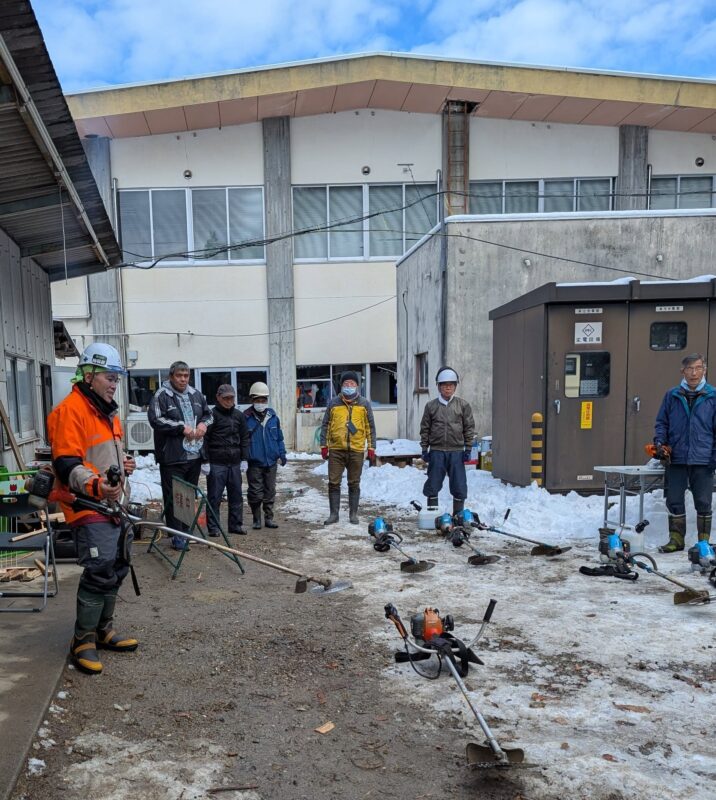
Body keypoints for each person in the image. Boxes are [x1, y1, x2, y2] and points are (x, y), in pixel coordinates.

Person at [47, 343, 138, 675]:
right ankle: (82, 639)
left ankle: (103, 629)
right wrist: (96, 485)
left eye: (116, 378)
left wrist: (123, 463)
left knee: (117, 564)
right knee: (99, 567)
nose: (114, 383)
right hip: (88, 503)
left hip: (113, 502)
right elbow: (68, 462)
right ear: (88, 375)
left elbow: (101, 454)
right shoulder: (71, 410)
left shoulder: (106, 411)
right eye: (108, 377)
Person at [654, 353, 716, 553]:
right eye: (689, 368)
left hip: (703, 458)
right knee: (674, 499)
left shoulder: (713, 396)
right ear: (682, 371)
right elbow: (662, 423)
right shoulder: (671, 395)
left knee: (704, 501)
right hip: (676, 457)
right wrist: (660, 443)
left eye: (698, 368)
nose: (694, 373)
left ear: (704, 370)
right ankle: (676, 540)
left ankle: (703, 543)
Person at [148, 361, 212, 550]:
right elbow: (156, 419)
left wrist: (203, 425)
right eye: (179, 376)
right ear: (171, 376)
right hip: (172, 456)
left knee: (188, 495)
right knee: (174, 496)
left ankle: (186, 531)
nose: (183, 379)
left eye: (186, 376)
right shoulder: (162, 395)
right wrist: (180, 427)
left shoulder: (196, 394)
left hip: (194, 455)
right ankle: (176, 535)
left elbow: (209, 415)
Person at [320, 371, 376, 525]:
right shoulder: (333, 403)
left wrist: (371, 447)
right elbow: (325, 425)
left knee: (354, 483)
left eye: (352, 384)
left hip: (356, 450)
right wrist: (324, 445)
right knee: (333, 482)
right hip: (336, 450)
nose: (349, 386)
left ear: (357, 386)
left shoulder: (364, 404)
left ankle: (353, 514)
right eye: (346, 384)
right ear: (341, 386)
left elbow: (370, 427)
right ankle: (334, 514)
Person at [420, 366, 475, 516]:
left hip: (456, 452)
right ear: (438, 386)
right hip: (437, 452)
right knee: (433, 484)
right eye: (444, 385)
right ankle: (432, 516)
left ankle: (458, 516)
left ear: (455, 386)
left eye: (451, 385)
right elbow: (425, 429)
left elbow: (469, 428)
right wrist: (425, 449)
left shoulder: (463, 406)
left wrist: (468, 448)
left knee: (459, 485)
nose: (448, 388)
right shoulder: (431, 406)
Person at [203, 384, 251, 536]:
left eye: (231, 397)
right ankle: (214, 528)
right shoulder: (211, 416)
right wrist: (205, 461)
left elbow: (244, 438)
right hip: (217, 463)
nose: (229, 401)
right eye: (226, 398)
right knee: (214, 497)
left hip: (235, 463)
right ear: (218, 397)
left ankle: (236, 525)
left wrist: (245, 458)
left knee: (236, 496)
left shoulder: (239, 415)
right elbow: (204, 439)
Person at [244, 381, 287, 529]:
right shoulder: (246, 418)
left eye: (263, 400)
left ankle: (269, 518)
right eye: (257, 400)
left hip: (271, 461)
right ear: (252, 400)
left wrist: (282, 453)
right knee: (255, 492)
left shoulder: (273, 417)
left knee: (270, 491)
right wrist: (244, 458)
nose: (261, 403)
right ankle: (256, 519)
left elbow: (279, 438)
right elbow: (242, 441)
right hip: (254, 462)